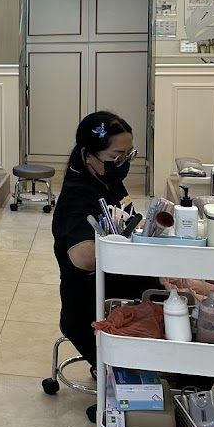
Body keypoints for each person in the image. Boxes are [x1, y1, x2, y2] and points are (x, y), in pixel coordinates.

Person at [52, 111, 153, 371]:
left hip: (119, 283)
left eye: (128, 155)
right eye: (116, 157)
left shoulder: (108, 181)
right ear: (88, 155)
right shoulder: (78, 196)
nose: (123, 163)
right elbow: (84, 257)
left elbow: (127, 218)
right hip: (89, 304)